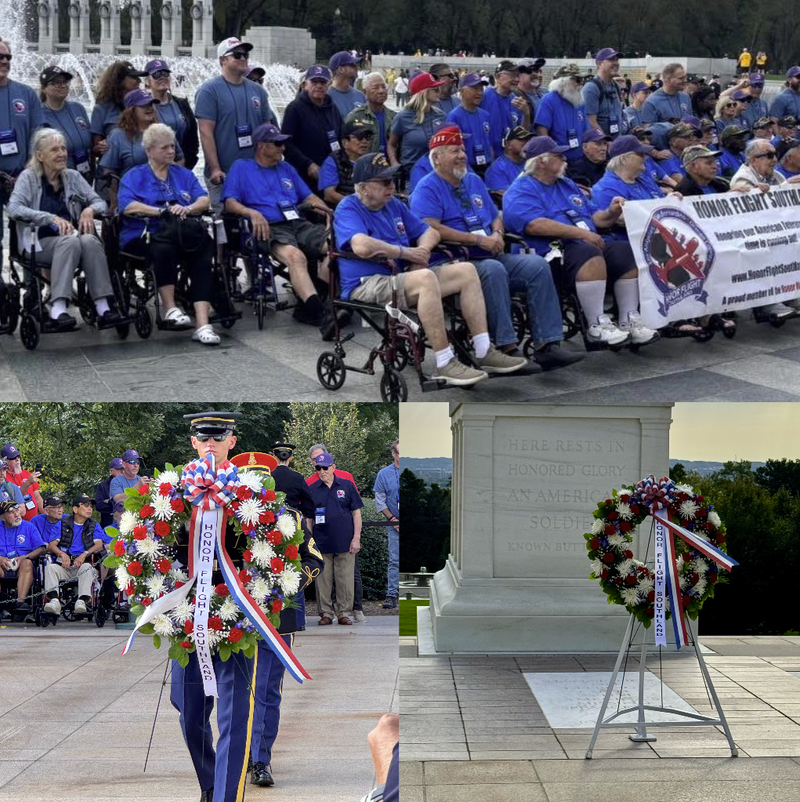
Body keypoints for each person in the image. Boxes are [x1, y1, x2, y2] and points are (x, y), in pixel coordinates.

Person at [334, 152, 526, 384]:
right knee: (425, 278)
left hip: (402, 276)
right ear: (363, 188)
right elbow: (362, 246)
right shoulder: (348, 208)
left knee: (467, 271)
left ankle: (484, 349)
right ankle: (445, 362)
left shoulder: (393, 204)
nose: (392, 186)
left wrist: (422, 252)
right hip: (367, 282)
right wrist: (406, 253)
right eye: (384, 182)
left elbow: (430, 232)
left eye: (393, 181)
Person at [410, 126, 582, 369]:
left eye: (462, 149)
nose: (462, 155)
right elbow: (430, 227)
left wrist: (497, 232)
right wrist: (478, 240)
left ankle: (547, 344)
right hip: (456, 260)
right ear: (436, 157)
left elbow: (494, 214)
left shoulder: (472, 179)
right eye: (454, 151)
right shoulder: (427, 187)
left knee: (537, 265)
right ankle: (505, 346)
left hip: (490, 250)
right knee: (492, 269)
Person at [169, 411, 254, 802]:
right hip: (189, 617)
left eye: (218, 438)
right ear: (192, 443)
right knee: (188, 713)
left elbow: (269, 552)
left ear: (231, 442)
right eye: (203, 438)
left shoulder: (253, 492)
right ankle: (209, 782)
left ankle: (224, 795)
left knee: (234, 718)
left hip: (236, 615)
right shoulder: (172, 493)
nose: (210, 444)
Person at [503, 135, 660, 347]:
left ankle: (629, 319)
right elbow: (533, 224)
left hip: (584, 242)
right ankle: (596, 325)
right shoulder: (521, 189)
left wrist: (612, 211)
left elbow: (597, 218)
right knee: (589, 251)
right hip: (550, 250)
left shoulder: (566, 184)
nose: (566, 159)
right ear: (541, 161)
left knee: (624, 251)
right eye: (559, 156)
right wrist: (580, 234)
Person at [247, 442, 322, 788]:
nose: (259, 489)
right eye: (251, 482)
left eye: (263, 483)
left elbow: (314, 560)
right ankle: (237, 753)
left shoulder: (289, 518)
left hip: (278, 616)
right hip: (234, 617)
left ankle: (260, 759)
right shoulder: (224, 520)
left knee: (267, 691)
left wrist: (287, 585)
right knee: (234, 691)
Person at [7, 128, 122, 329]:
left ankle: (103, 307)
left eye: (63, 148)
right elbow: (14, 208)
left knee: (89, 240)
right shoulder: (28, 177)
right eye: (54, 150)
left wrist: (89, 210)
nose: (62, 154)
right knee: (70, 241)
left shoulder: (73, 176)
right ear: (40, 155)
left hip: (72, 241)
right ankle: (58, 308)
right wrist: (49, 218)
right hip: (36, 243)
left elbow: (99, 202)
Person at [222, 123, 332, 329]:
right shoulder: (241, 167)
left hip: (297, 222)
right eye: (278, 143)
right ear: (262, 146)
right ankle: (319, 313)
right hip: (270, 226)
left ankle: (309, 302)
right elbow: (229, 202)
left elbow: (308, 196)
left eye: (284, 143)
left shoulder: (286, 168)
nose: (283, 148)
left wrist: (329, 213)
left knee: (338, 245)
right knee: (295, 257)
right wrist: (251, 212)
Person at [118, 123, 221, 344]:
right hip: (145, 234)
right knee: (164, 247)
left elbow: (204, 199)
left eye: (172, 147)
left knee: (204, 247)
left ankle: (202, 323)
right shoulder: (134, 176)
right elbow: (127, 206)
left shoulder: (182, 174)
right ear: (149, 151)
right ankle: (170, 308)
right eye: (165, 148)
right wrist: (160, 212)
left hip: (182, 233)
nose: (171, 152)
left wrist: (188, 208)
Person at [194, 37, 276, 210]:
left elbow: (267, 131)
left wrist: (271, 160)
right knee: (226, 229)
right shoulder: (209, 90)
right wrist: (215, 168)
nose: (243, 58)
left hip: (256, 173)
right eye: (237, 55)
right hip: (224, 175)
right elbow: (205, 133)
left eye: (245, 54)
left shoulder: (258, 91)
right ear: (223, 60)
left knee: (260, 224)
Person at [305, 443, 365, 622]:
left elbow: (356, 512)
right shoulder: (312, 489)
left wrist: (356, 538)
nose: (321, 471)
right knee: (322, 580)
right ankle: (326, 613)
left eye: (325, 468)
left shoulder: (346, 485)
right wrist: (309, 542)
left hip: (345, 541)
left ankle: (344, 612)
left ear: (333, 467)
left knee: (345, 579)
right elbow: (309, 518)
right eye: (318, 468)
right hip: (321, 541)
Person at [99, 89, 185, 206]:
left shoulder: (163, 130)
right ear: (131, 110)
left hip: (167, 195)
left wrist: (173, 178)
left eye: (150, 104)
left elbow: (180, 158)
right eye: (143, 105)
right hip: (134, 197)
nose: (149, 108)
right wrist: (114, 204)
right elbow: (109, 173)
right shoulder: (117, 136)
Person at [0, 37, 43, 265]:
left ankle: (31, 289)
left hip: (22, 176)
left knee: (29, 234)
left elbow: (38, 136)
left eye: (8, 57)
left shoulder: (26, 93)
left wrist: (28, 171)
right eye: (0, 57)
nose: (5, 61)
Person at [280, 64, 343, 192]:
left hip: (330, 173)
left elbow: (341, 135)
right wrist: (307, 164)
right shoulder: (295, 108)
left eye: (323, 82)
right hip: (304, 174)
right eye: (314, 82)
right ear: (305, 84)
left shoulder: (332, 108)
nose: (319, 86)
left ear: (329, 84)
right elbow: (286, 142)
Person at [591, 135, 665, 240]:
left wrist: (672, 201)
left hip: (659, 236)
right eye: (640, 154)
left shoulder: (643, 178)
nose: (645, 157)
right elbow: (620, 220)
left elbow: (662, 201)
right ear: (624, 160)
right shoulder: (605, 188)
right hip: (631, 243)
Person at [42, 495, 105, 616]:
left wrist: (84, 554)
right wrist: (61, 554)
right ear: (75, 509)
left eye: (91, 506)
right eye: (85, 505)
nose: (89, 509)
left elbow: (99, 545)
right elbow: (52, 545)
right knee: (50, 568)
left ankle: (82, 601)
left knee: (86, 567)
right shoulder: (63, 523)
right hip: (65, 565)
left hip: (84, 566)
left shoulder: (94, 524)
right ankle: (54, 601)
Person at [144, 59, 199, 170]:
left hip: (182, 167)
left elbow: (193, 138)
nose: (162, 77)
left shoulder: (182, 104)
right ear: (147, 81)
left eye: (166, 73)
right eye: (156, 74)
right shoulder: (143, 108)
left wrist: (186, 165)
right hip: (154, 169)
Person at [39, 66, 93, 177]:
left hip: (85, 176)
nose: (63, 86)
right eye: (56, 83)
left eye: (65, 82)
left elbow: (90, 140)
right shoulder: (39, 114)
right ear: (44, 88)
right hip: (58, 178)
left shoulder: (78, 108)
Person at [388, 72, 447, 171]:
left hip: (437, 174)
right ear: (423, 92)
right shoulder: (402, 117)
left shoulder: (441, 116)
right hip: (410, 176)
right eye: (435, 89)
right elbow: (391, 144)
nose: (439, 92)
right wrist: (394, 163)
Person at [534, 63, 591, 162]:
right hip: (558, 160)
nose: (581, 84)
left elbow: (586, 130)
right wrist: (550, 158)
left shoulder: (579, 100)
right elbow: (542, 131)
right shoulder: (549, 100)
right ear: (564, 82)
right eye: (578, 80)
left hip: (580, 159)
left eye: (582, 80)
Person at [0, 500, 47, 612]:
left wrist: (25, 557)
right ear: (3, 517)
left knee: (27, 562)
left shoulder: (29, 526)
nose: (17, 514)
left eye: (17, 510)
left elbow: (41, 548)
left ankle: (20, 603)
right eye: (12, 512)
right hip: (2, 566)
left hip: (23, 566)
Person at [90, 61, 146, 152]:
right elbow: (95, 148)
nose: (139, 81)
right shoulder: (102, 109)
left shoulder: (143, 105)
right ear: (119, 80)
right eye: (133, 77)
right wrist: (101, 147)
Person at [318, 120, 374, 206]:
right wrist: (358, 205)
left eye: (367, 137)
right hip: (344, 210)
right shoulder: (333, 161)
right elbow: (329, 195)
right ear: (345, 143)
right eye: (359, 137)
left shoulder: (373, 160)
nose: (365, 141)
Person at [445, 73, 494, 172]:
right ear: (462, 91)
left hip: (487, 167)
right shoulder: (454, 117)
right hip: (466, 170)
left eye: (481, 89)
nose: (479, 93)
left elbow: (489, 144)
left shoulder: (485, 115)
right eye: (475, 88)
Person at [481, 61, 530, 158]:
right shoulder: (484, 97)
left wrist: (526, 114)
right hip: (489, 158)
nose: (516, 79)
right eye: (512, 75)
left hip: (510, 158)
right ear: (498, 76)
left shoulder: (517, 100)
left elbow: (522, 134)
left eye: (518, 75)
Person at [374, 440, 400, 609]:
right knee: (394, 560)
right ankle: (392, 594)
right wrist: (393, 520)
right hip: (394, 524)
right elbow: (380, 501)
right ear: (393, 453)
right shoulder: (383, 474)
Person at [344, 72, 396, 155]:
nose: (381, 91)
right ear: (365, 92)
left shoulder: (394, 117)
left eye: (383, 87)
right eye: (376, 88)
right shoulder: (356, 116)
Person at [583, 47, 625, 138]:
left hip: (616, 142)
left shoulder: (616, 86)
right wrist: (606, 142)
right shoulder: (591, 88)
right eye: (611, 59)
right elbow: (590, 122)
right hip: (600, 145)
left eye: (617, 60)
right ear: (600, 64)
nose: (616, 63)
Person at [484, 125, 532, 193]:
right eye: (521, 139)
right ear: (508, 144)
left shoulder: (530, 164)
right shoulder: (497, 169)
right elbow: (502, 196)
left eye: (528, 139)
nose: (526, 142)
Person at [1, 444, 42, 521]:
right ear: (5, 461)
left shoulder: (27, 474)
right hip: (17, 522)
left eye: (18, 456)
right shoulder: (3, 479)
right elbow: (13, 500)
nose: (17, 459)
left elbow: (38, 498)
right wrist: (27, 483)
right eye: (13, 458)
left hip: (34, 522)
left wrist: (45, 516)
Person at [327, 51, 365, 118]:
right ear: (341, 69)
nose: (356, 68)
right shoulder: (326, 97)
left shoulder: (360, 96)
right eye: (352, 65)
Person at [95, 458, 123, 528]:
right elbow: (99, 505)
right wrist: (114, 502)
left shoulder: (130, 484)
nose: (122, 472)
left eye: (124, 469)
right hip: (108, 525)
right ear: (111, 471)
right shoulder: (103, 486)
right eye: (119, 469)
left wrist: (109, 501)